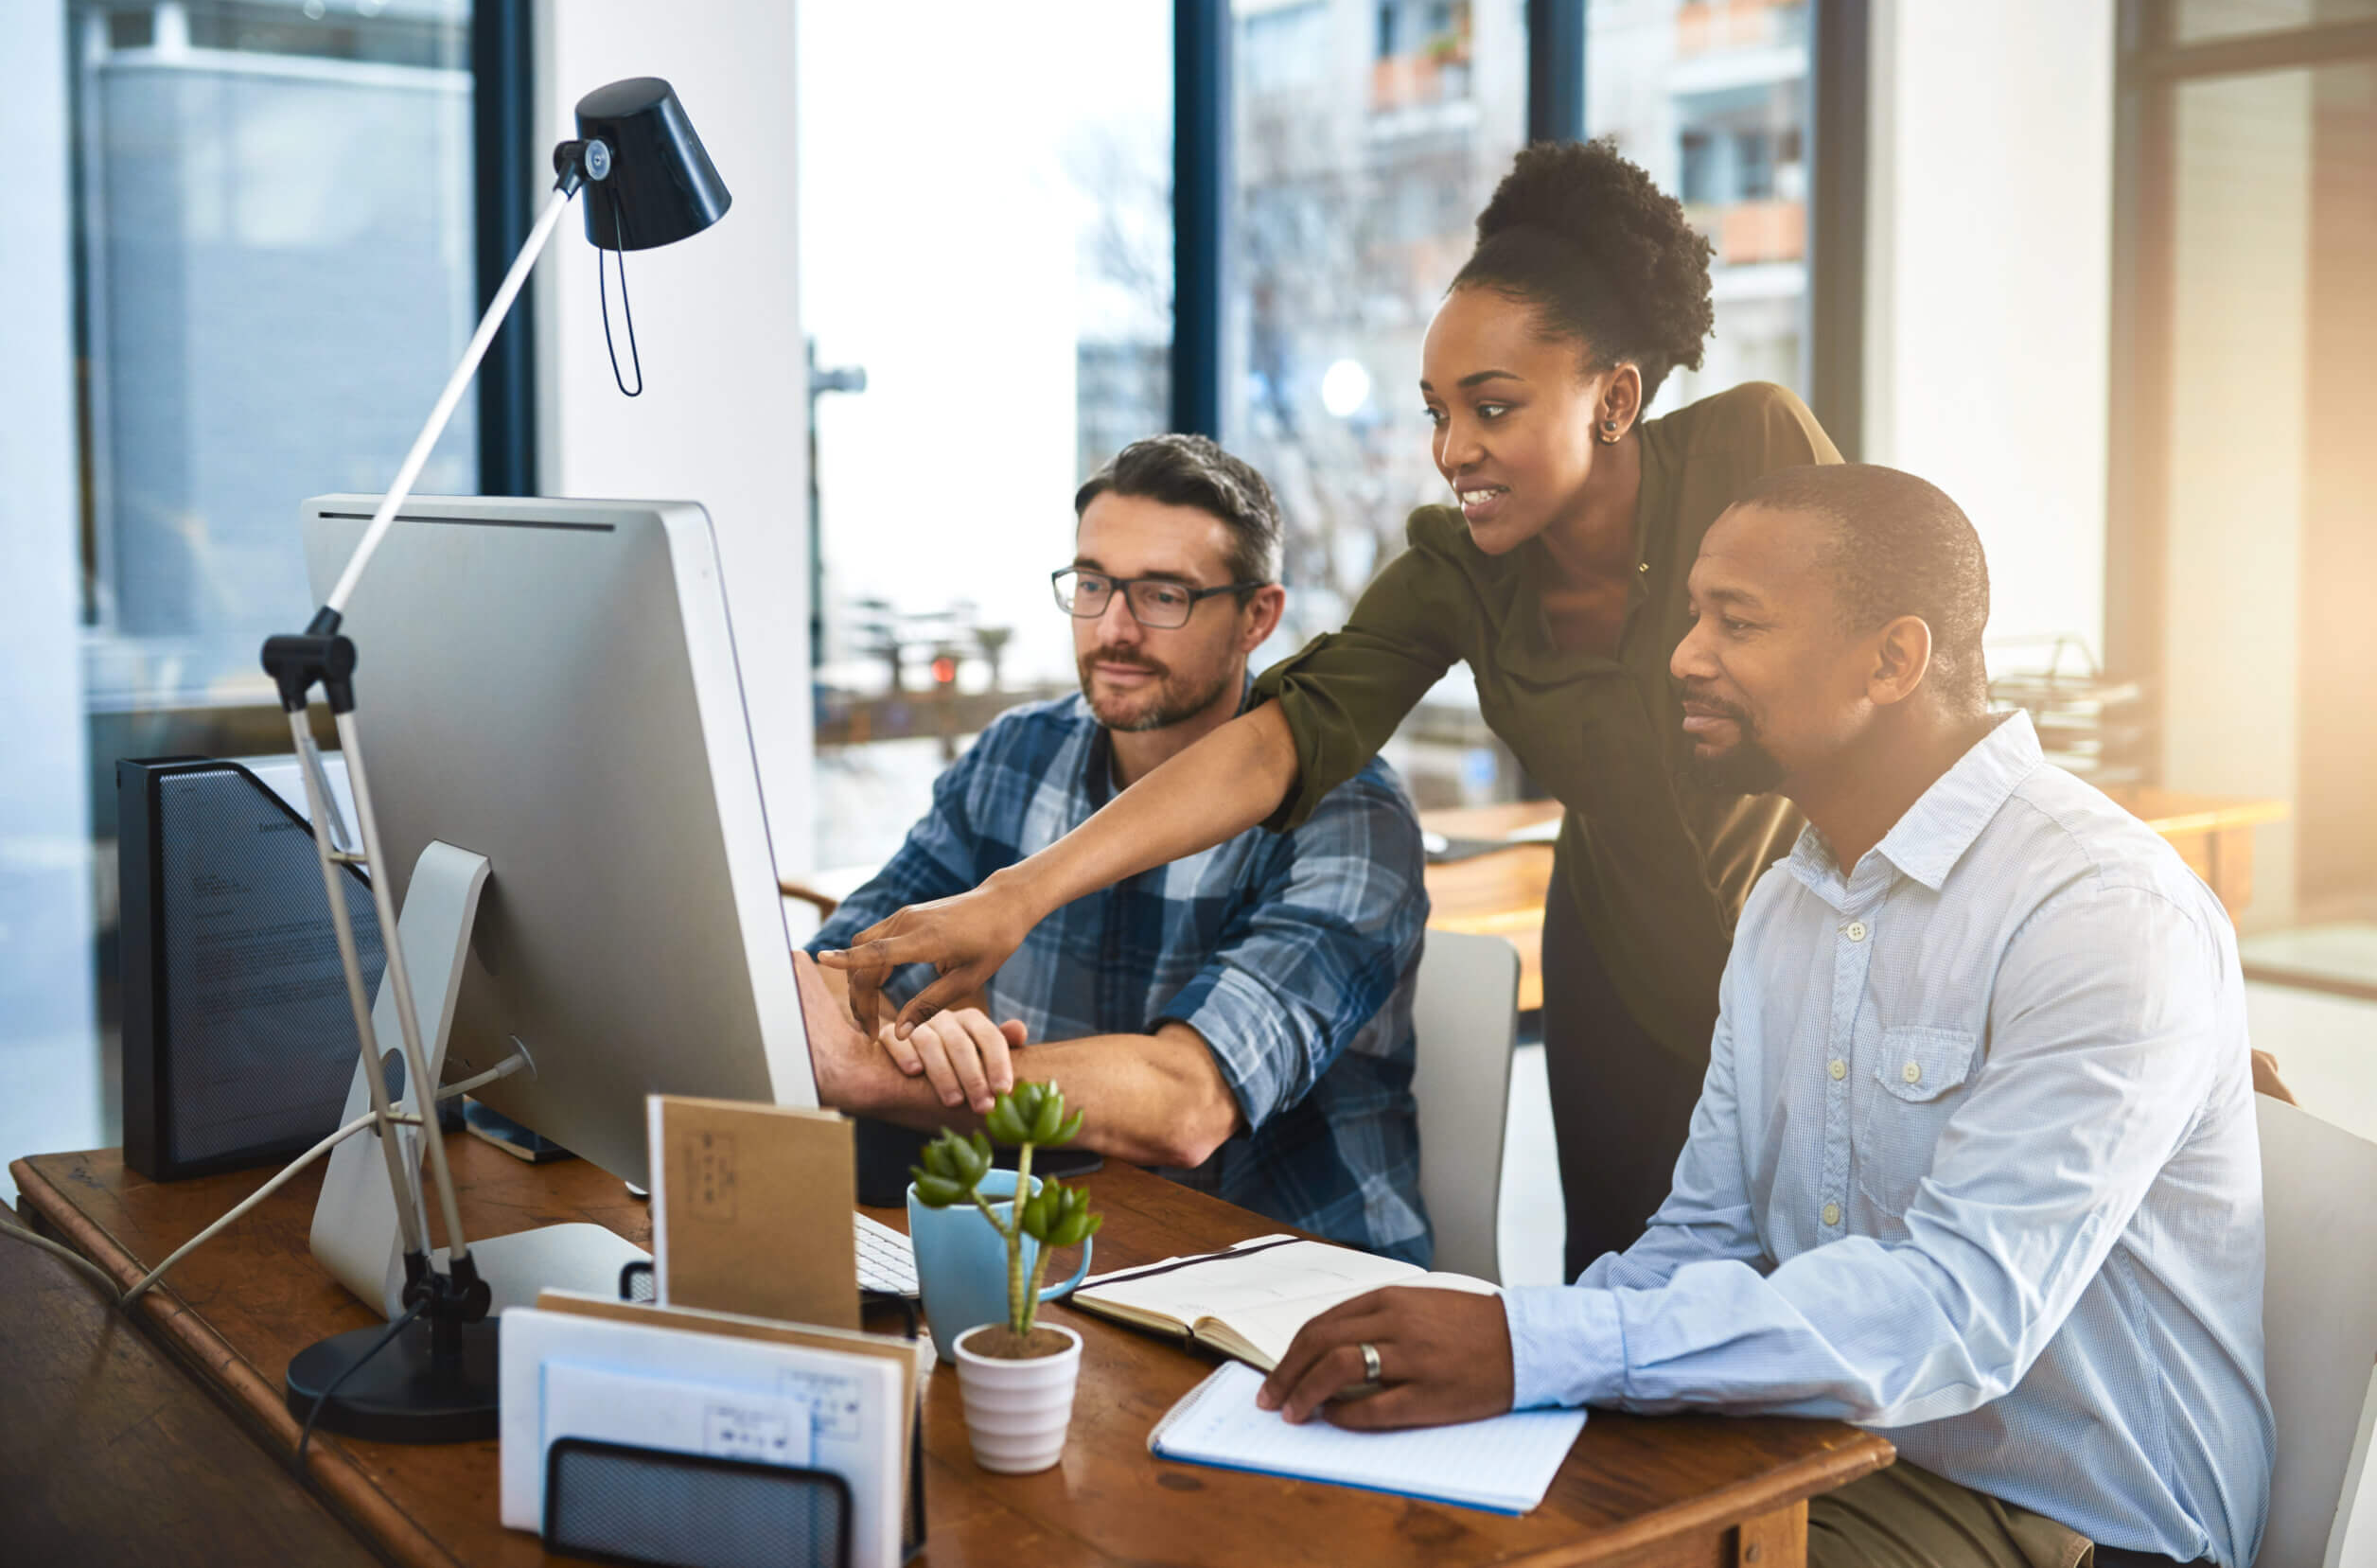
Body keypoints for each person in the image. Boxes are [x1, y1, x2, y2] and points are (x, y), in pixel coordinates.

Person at [821, 140, 1842, 1275]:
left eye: (1492, 408)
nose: (1455, 451)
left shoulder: (1752, 448)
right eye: (1436, 412)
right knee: (1636, 1284)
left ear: (1612, 397)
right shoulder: (1457, 569)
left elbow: (1880, 674)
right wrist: (1016, 897)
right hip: (1621, 955)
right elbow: (1279, 742)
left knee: (1837, 1262)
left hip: (1816, 933)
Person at [1259, 465, 2272, 1568]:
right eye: (1693, 613)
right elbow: (1705, 1232)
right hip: (1824, 1443)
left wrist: (1531, 1343)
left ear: (1893, 659)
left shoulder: (2099, 909)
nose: (1683, 654)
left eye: (1733, 621)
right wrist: (1521, 1361)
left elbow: (1959, 1310)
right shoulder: (1790, 899)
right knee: (1391, 1514)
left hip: (2073, 1515)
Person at [794, 435, 1433, 1262]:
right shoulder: (1018, 755)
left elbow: (1188, 1106)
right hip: (1072, 1252)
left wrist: (885, 1073)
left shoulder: (1349, 813)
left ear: (1258, 617)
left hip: (1294, 1283)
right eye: (1092, 585)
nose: (1114, 629)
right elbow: (844, 982)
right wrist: (927, 1045)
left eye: (1163, 595)